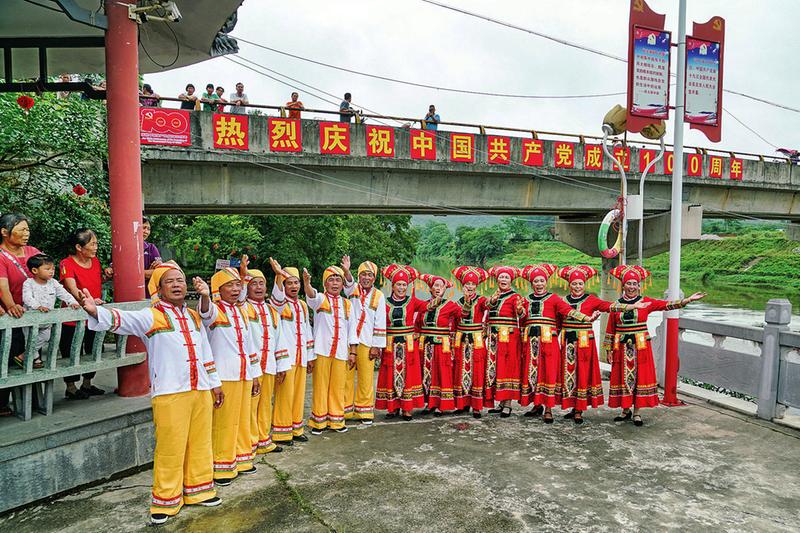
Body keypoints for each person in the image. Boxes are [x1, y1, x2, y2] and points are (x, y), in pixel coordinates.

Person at [83, 261, 223, 525]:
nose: (177, 285)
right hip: (170, 392)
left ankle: (200, 490)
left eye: (179, 280)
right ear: (158, 289)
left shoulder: (194, 316)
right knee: (170, 447)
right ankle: (167, 500)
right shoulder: (151, 315)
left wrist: (214, 382)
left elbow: (205, 351)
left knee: (201, 443)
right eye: (169, 281)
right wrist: (96, 311)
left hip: (200, 389)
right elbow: (123, 320)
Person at [604, 265, 706, 426]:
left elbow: (666, 305)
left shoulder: (647, 302)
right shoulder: (616, 305)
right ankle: (625, 410)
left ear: (639, 286)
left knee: (640, 377)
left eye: (634, 284)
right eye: (628, 283)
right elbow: (611, 329)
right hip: (622, 346)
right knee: (623, 377)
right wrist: (609, 349)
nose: (631, 287)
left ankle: (637, 412)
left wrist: (687, 300)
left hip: (640, 346)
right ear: (623, 286)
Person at [557, 265, 648, 424]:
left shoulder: (591, 300)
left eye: (580, 284)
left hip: (585, 343)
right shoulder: (562, 301)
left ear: (584, 285)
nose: (577, 286)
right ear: (569, 285)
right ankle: (572, 407)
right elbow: (557, 323)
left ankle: (579, 410)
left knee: (582, 374)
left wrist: (630, 306)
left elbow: (609, 307)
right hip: (567, 343)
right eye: (574, 284)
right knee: (568, 375)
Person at [199, 266, 261, 485]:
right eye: (229, 286)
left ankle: (243, 459)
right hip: (225, 375)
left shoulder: (241, 311)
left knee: (243, 418)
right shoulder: (216, 311)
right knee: (224, 422)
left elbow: (250, 344)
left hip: (244, 373)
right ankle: (222, 466)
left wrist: (254, 374)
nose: (235, 289)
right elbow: (205, 312)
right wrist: (205, 295)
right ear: (218, 290)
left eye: (237, 285)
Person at [519, 264, 598, 424]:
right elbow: (522, 320)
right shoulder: (526, 299)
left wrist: (586, 318)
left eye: (542, 281)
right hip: (532, 341)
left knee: (549, 373)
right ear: (532, 284)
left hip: (549, 342)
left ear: (546, 282)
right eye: (536, 281)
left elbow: (568, 311)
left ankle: (548, 410)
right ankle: (537, 405)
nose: (539, 284)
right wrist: (520, 311)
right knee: (533, 372)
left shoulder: (554, 298)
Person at [59, 228, 112, 400]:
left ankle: (87, 383)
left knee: (94, 348)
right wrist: (87, 300)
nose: (96, 247)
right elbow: (72, 288)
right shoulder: (66, 263)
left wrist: (106, 275)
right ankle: (71, 387)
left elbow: (96, 280)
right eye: (93, 244)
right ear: (79, 247)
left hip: (93, 314)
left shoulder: (95, 261)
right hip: (73, 316)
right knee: (71, 351)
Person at [243, 267, 289, 455]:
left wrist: (282, 365)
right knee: (249, 407)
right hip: (251, 369)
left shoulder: (272, 311)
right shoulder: (242, 308)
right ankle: (249, 444)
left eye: (261, 283)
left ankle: (264, 439)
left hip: (269, 365)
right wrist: (243, 273)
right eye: (253, 283)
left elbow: (279, 338)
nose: (259, 287)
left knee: (265, 405)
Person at [268, 258, 313, 446]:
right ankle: (281, 433)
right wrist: (278, 275)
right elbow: (276, 298)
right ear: (283, 286)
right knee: (284, 395)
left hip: (301, 356)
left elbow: (308, 329)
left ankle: (297, 428)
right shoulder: (278, 304)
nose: (293, 286)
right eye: (289, 283)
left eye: (296, 282)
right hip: (287, 358)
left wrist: (311, 356)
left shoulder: (302, 305)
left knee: (298, 394)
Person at [304, 265, 352, 435]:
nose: (335, 283)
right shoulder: (320, 299)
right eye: (331, 280)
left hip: (340, 351)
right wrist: (307, 283)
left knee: (338, 386)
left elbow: (351, 330)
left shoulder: (347, 304)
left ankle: (337, 420)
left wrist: (352, 352)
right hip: (322, 350)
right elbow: (310, 295)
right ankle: (318, 422)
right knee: (320, 386)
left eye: (338, 279)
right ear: (325, 283)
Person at [375, 264, 426, 420]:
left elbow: (428, 307)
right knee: (390, 373)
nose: (402, 287)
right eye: (399, 284)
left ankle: (407, 408)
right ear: (393, 285)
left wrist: (437, 294)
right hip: (390, 342)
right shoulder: (384, 302)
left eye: (404, 285)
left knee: (409, 375)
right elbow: (377, 322)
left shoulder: (413, 301)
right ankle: (393, 408)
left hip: (408, 343)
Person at [0, 213, 38, 416]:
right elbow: (2, 286)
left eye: (27, 229)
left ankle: (31, 401)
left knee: (30, 356)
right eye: (21, 229)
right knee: (6, 357)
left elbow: (45, 273)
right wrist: (11, 305)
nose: (26, 233)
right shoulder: (0, 255)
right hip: (8, 315)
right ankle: (2, 402)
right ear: (5, 232)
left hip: (31, 314)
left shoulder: (32, 252)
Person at [342, 257, 386, 425]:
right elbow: (347, 282)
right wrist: (346, 271)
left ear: (374, 278)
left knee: (366, 377)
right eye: (363, 275)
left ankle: (365, 410)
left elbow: (380, 321)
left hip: (367, 341)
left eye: (369, 275)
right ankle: (345, 409)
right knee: (346, 375)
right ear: (358, 276)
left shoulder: (379, 296)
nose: (366, 278)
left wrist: (376, 345)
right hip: (349, 341)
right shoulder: (352, 290)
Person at [22, 254, 80, 368]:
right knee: (30, 339)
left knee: (46, 337)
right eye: (47, 269)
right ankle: (34, 357)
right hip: (30, 320)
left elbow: (64, 293)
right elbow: (27, 298)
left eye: (53, 269)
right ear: (34, 270)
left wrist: (72, 302)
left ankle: (25, 355)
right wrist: (37, 306)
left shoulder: (53, 283)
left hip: (47, 320)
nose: (51, 271)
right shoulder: (28, 283)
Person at [418, 273, 461, 415]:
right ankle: (429, 403)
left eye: (440, 286)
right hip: (426, 346)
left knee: (441, 373)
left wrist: (467, 301)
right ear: (430, 289)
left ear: (444, 289)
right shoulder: (424, 305)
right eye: (435, 286)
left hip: (442, 346)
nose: (437, 288)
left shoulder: (450, 305)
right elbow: (417, 324)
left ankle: (440, 405)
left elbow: (464, 316)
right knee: (427, 373)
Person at [484, 266, 524, 418]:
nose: (503, 280)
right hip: (495, 338)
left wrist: (520, 310)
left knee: (508, 368)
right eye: (501, 277)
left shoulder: (515, 297)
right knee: (496, 368)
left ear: (511, 280)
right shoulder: (494, 296)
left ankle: (508, 404)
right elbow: (486, 312)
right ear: (497, 280)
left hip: (509, 339)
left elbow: (521, 315)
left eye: (506, 278)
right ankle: (501, 402)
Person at [451, 266, 489, 419]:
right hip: (461, 339)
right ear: (463, 286)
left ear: (477, 286)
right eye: (468, 284)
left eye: (473, 284)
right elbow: (454, 321)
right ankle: (462, 404)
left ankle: (477, 406)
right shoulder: (457, 302)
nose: (470, 287)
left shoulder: (481, 300)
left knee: (477, 370)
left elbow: (489, 306)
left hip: (476, 338)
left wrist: (493, 299)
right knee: (460, 370)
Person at [142, 216, 162, 298]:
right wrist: (148, 272)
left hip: (149, 294)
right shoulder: (124, 247)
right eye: (144, 228)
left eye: (148, 229)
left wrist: (136, 274)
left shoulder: (151, 248)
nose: (146, 231)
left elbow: (159, 272)